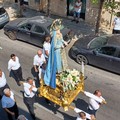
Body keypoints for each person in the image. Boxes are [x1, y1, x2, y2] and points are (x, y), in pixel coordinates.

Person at [44, 19, 68, 89]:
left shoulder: (59, 34)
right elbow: (54, 46)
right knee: (58, 63)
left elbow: (61, 39)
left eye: (59, 29)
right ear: (56, 30)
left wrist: (64, 42)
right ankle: (58, 72)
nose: (59, 30)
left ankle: (62, 71)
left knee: (62, 61)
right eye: (58, 29)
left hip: (61, 50)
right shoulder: (55, 36)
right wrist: (60, 46)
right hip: (57, 51)